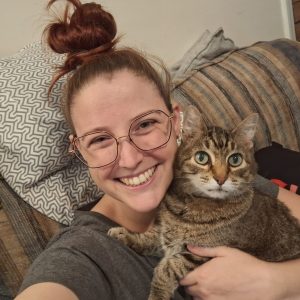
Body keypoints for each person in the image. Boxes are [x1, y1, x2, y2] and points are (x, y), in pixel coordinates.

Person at [16, 1, 300, 299]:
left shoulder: (216, 180)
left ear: (176, 122)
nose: (130, 158)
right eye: (99, 140)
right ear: (79, 150)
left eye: (145, 125)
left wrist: (274, 281)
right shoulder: (82, 257)